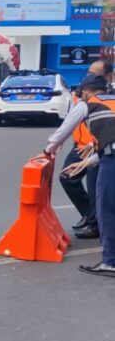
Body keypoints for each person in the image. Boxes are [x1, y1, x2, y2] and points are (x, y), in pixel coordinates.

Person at [43, 74, 115, 277]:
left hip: (111, 158)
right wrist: (87, 162)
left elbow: (64, 129)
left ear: (85, 91)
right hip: (107, 154)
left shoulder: (87, 105)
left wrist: (48, 149)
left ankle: (111, 262)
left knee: (107, 209)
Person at [51, 61, 114, 238]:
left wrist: (95, 146)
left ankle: (96, 225)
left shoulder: (109, 97)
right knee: (67, 177)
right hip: (79, 146)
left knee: (97, 190)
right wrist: (60, 139)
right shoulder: (81, 93)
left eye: (96, 74)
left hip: (98, 149)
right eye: (89, 72)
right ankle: (89, 215)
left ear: (108, 76)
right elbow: (72, 118)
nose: (91, 76)